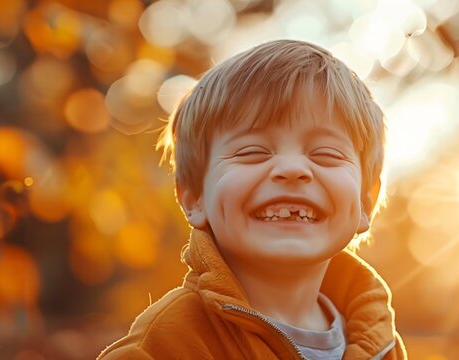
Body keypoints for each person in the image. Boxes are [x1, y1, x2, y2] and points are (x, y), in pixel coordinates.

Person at [98, 39, 407, 360]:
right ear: (193, 198)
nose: (292, 169)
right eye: (252, 151)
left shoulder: (378, 342)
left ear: (365, 202)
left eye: (326, 153)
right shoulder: (164, 346)